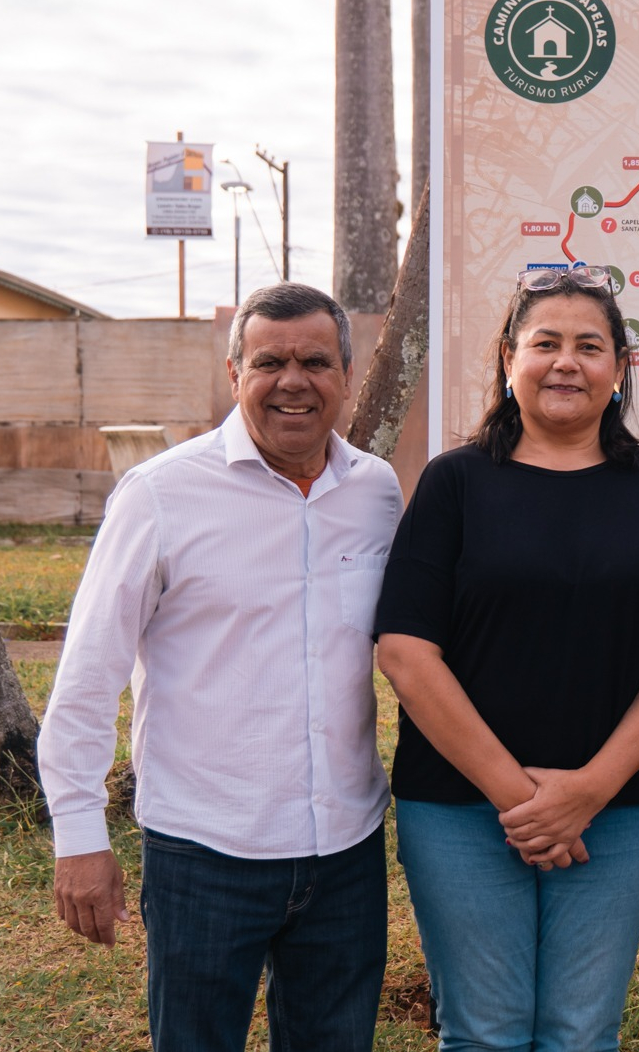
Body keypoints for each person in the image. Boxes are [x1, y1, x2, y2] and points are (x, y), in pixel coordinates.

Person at [37, 282, 402, 1051]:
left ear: (346, 373)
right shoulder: (161, 494)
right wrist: (79, 833)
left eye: (315, 361)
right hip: (205, 852)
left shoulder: (376, 491)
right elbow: (88, 674)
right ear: (235, 374)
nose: (293, 380)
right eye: (269, 362)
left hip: (345, 851)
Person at [374, 267, 639, 1051]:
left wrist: (588, 791)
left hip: (617, 812)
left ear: (620, 367)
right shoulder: (454, 483)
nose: (566, 362)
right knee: (484, 1030)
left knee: (581, 1032)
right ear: (508, 359)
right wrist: (524, 798)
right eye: (545, 343)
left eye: (589, 346)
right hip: (458, 808)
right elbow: (406, 651)